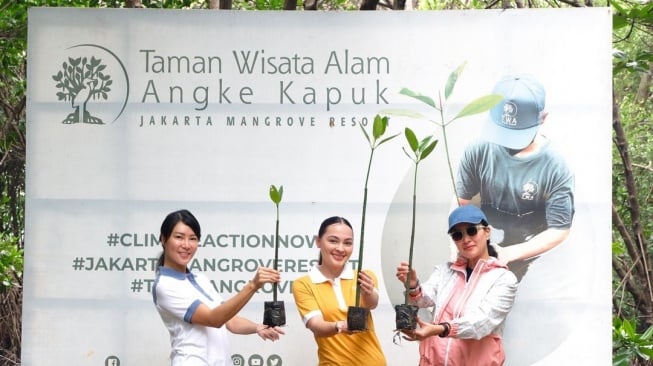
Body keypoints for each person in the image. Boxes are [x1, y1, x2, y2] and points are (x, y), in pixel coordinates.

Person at [455, 74, 575, 281]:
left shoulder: (556, 166)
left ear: (543, 118)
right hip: (488, 220)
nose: (509, 144)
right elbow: (462, 201)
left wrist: (510, 253)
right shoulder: (477, 149)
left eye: (517, 135)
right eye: (503, 133)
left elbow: (559, 229)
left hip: (532, 228)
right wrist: (461, 244)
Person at [152, 209, 285, 366]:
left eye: (193, 239)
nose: (186, 245)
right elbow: (213, 319)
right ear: (163, 238)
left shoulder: (200, 279)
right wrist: (253, 286)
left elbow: (230, 321)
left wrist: (257, 327)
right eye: (179, 237)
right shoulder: (165, 285)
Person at [396, 205, 517, 366]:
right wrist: (413, 286)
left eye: (472, 231)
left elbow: (482, 322)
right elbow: (423, 300)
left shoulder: (504, 279)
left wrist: (441, 329)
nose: (466, 239)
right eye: (457, 235)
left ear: (487, 232)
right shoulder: (445, 271)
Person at [292, 216, 387, 366]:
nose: (341, 249)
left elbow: (372, 303)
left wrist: (368, 293)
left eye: (347, 243)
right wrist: (339, 326)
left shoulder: (364, 276)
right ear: (318, 241)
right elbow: (315, 324)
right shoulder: (303, 284)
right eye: (333, 241)